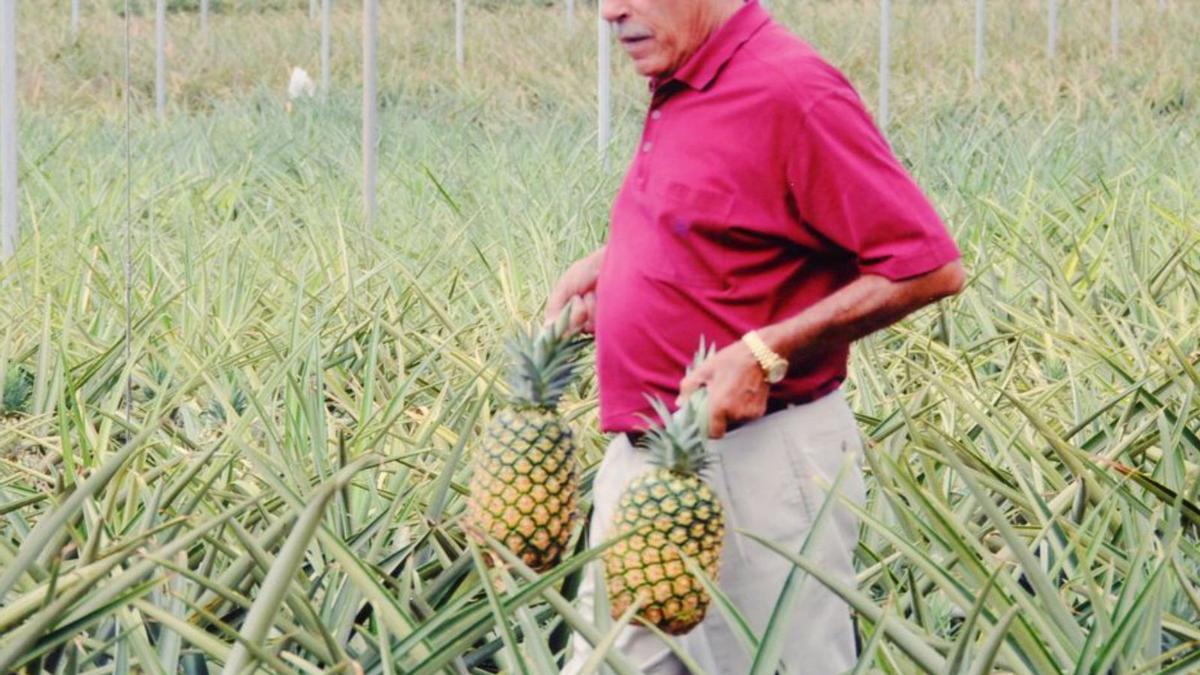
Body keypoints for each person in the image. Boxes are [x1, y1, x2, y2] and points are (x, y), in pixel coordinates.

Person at [547, 0, 964, 672]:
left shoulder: (791, 89)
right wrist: (619, 263)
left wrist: (769, 349)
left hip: (755, 471)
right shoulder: (683, 76)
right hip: (646, 468)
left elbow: (926, 266)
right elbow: (731, 214)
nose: (609, 11)